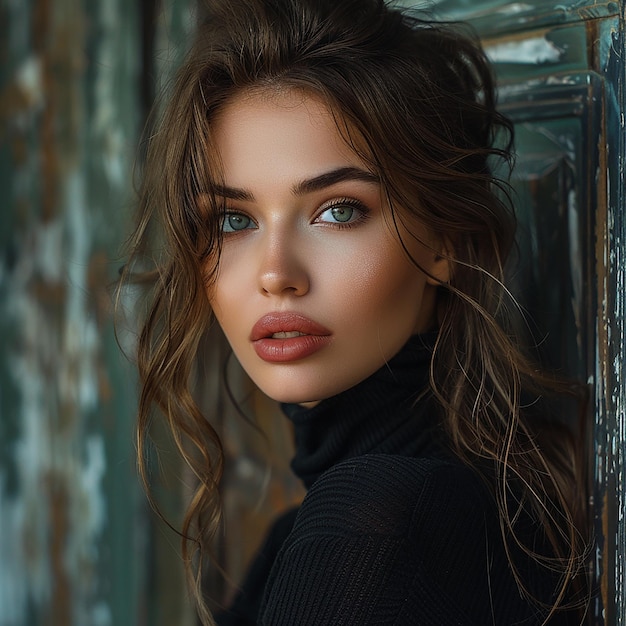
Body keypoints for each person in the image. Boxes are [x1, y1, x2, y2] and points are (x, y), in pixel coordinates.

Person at [119, 0, 591, 623]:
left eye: (338, 210)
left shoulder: (371, 534)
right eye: (234, 220)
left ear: (445, 239)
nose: (275, 273)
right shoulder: (405, 514)